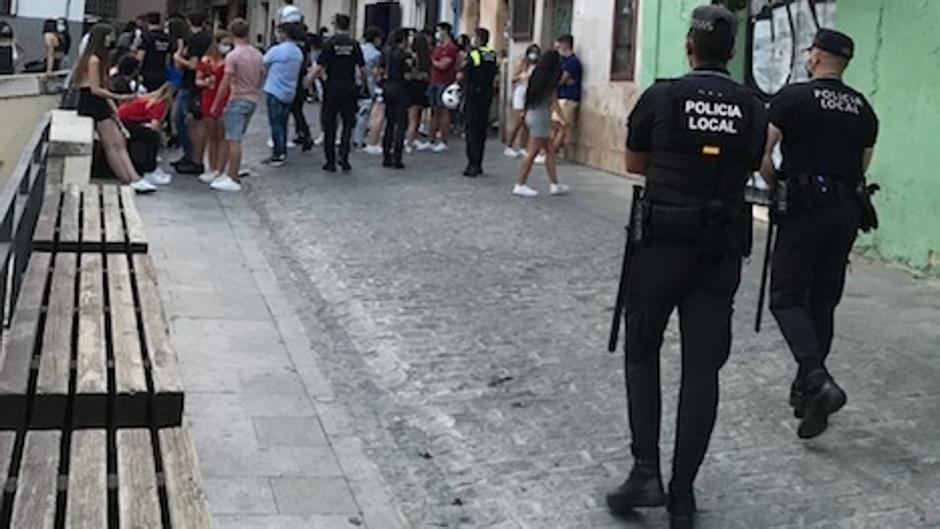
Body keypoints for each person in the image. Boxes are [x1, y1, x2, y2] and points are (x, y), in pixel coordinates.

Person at [603, 7, 766, 528]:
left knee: (642, 353)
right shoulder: (751, 105)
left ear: (688, 47)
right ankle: (682, 493)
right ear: (732, 53)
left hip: (662, 241)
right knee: (702, 369)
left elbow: (633, 162)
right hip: (718, 248)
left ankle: (645, 470)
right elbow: (749, 162)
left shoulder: (663, 95)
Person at [760, 29, 879, 440]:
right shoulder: (863, 107)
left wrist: (779, 184)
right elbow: (863, 164)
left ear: (816, 58)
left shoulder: (793, 97)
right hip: (846, 209)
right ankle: (809, 394)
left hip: (805, 207)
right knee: (823, 301)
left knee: (786, 297)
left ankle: (815, 376)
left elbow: (763, 151)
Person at [72, 24, 157, 193]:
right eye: (109, 36)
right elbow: (96, 89)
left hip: (100, 102)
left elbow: (103, 87)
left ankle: (134, 177)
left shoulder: (97, 58)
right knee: (112, 144)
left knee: (119, 142)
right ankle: (128, 179)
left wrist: (114, 110)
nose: (112, 39)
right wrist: (120, 98)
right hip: (93, 102)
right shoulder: (94, 60)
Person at [209, 18, 263, 192]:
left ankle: (232, 176)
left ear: (232, 34)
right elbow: (261, 75)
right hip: (252, 98)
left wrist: (216, 104)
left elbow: (225, 82)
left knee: (233, 139)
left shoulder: (233, 56)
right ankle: (232, 173)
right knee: (236, 136)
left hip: (238, 98)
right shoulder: (257, 54)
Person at [309, 14, 365, 172]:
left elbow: (319, 67)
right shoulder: (354, 44)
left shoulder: (330, 44)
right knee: (348, 123)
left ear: (335, 25)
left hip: (332, 86)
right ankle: (344, 156)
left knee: (330, 123)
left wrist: (308, 80)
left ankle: (330, 161)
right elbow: (361, 68)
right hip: (349, 86)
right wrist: (363, 85)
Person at [512, 51, 568, 197]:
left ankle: (554, 184)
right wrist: (562, 118)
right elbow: (553, 101)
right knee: (532, 152)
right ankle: (520, 183)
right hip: (541, 117)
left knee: (549, 150)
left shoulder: (536, 76)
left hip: (533, 114)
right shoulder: (550, 80)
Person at [172, 10, 212, 175]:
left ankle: (192, 157)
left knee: (184, 120)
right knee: (187, 120)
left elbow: (192, 65)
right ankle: (192, 157)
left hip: (190, 85)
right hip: (198, 84)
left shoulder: (195, 40)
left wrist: (178, 57)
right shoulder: (208, 38)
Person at [262, 22, 304, 167]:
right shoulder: (298, 52)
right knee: (283, 123)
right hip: (289, 91)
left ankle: (278, 153)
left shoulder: (277, 50)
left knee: (275, 123)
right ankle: (282, 150)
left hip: (275, 90)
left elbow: (263, 63)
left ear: (284, 34)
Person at [118, 82, 175, 184]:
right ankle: (149, 169)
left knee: (149, 135)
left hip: (124, 120)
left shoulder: (150, 98)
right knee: (153, 137)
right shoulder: (160, 104)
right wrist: (163, 138)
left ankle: (149, 168)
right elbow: (155, 125)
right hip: (124, 123)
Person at [461, 28, 498, 177]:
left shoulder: (474, 54)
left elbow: (468, 73)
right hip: (486, 95)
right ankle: (479, 163)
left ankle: (472, 164)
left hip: (474, 95)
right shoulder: (491, 54)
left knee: (471, 130)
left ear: (478, 38)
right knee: (481, 130)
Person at [196, 31, 233, 183]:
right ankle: (212, 167)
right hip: (209, 98)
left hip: (226, 98)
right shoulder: (206, 61)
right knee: (212, 135)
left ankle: (220, 168)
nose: (227, 47)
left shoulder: (230, 61)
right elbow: (197, 80)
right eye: (224, 43)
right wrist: (205, 82)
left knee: (223, 135)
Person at [376, 28, 411, 169]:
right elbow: (407, 76)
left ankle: (386, 156)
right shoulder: (405, 55)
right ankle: (397, 157)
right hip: (400, 88)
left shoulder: (386, 52)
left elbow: (379, 71)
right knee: (401, 124)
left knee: (389, 122)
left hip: (388, 87)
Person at [426, 22, 459, 152]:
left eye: (439, 30)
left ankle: (443, 140)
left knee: (444, 111)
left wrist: (431, 61)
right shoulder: (438, 47)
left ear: (445, 31)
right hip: (434, 80)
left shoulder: (451, 48)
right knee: (434, 111)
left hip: (444, 82)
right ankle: (431, 139)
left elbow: (443, 65)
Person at [505, 44, 540, 158]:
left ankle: (522, 147)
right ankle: (509, 145)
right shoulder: (522, 63)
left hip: (530, 94)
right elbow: (513, 79)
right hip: (520, 93)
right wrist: (522, 76)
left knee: (527, 123)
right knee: (518, 121)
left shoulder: (537, 66)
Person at [355, 26, 383, 151]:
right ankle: (359, 140)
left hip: (354, 83)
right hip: (368, 85)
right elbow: (375, 73)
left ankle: (351, 138)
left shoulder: (358, 49)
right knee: (364, 114)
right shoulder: (376, 54)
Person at [553, 34, 581, 159]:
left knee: (563, 127)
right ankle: (554, 149)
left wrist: (558, 80)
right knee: (556, 125)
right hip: (560, 97)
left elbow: (561, 79)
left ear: (566, 44)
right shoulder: (562, 61)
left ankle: (551, 153)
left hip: (568, 98)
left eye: (560, 45)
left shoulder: (572, 62)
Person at [406, 31, 432, 152]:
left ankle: (409, 142)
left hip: (412, 87)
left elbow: (410, 73)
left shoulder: (411, 56)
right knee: (418, 115)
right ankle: (414, 138)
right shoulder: (427, 56)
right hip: (423, 87)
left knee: (412, 117)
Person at [137, 12, 170, 92]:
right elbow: (168, 57)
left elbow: (140, 57)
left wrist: (137, 72)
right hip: (162, 73)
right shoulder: (166, 38)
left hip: (147, 73)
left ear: (147, 22)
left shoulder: (146, 37)